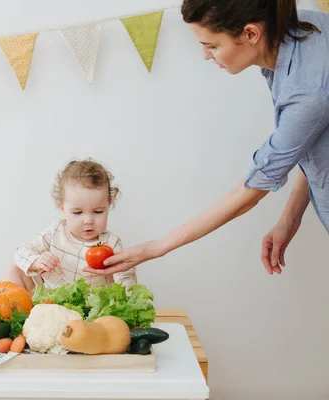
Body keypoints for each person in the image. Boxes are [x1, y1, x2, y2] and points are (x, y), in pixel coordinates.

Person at [84, 0, 329, 278]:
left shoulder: (307, 90)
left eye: (212, 45)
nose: (205, 55)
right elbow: (311, 143)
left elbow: (249, 192)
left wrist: (156, 247)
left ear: (250, 34)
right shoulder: (306, 30)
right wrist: (290, 218)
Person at [4, 159, 137, 293]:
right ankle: (22, 311)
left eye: (98, 212)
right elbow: (22, 251)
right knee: (13, 271)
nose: (88, 220)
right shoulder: (56, 231)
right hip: (52, 299)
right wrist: (36, 261)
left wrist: (129, 296)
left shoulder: (112, 243)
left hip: (90, 307)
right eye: (78, 212)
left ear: (109, 204)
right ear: (62, 208)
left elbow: (125, 277)